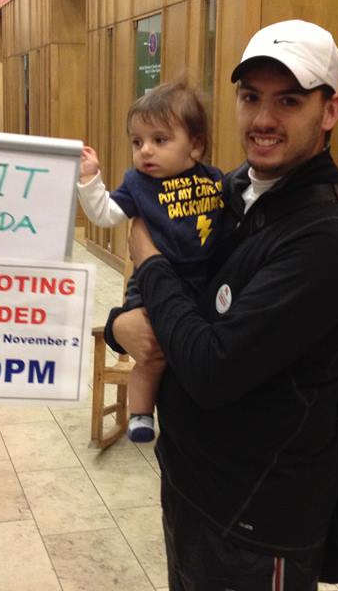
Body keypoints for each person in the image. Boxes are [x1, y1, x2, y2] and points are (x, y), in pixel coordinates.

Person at [108, 20, 338, 590]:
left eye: (289, 101)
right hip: (191, 486)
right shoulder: (223, 192)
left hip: (260, 520)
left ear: (330, 111)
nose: (263, 119)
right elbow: (176, 306)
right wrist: (117, 326)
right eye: (251, 97)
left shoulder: (328, 235)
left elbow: (211, 366)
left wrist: (147, 258)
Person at [78, 80, 224, 442]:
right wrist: (90, 180)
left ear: (196, 147)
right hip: (151, 287)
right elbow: (105, 214)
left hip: (201, 284)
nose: (146, 151)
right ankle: (141, 414)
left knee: (193, 349)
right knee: (152, 356)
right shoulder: (138, 184)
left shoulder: (215, 181)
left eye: (160, 140)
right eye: (137, 141)